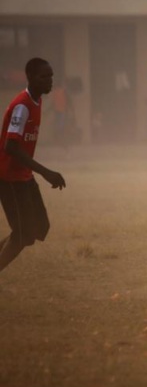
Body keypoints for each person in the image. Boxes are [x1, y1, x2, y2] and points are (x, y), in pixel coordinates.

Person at [0, 58, 67, 273]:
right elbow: (10, 146)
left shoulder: (37, 101)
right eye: (44, 76)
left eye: (51, 76)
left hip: (24, 176)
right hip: (9, 177)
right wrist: (46, 172)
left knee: (40, 228)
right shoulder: (22, 106)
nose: (49, 80)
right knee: (23, 234)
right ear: (31, 78)